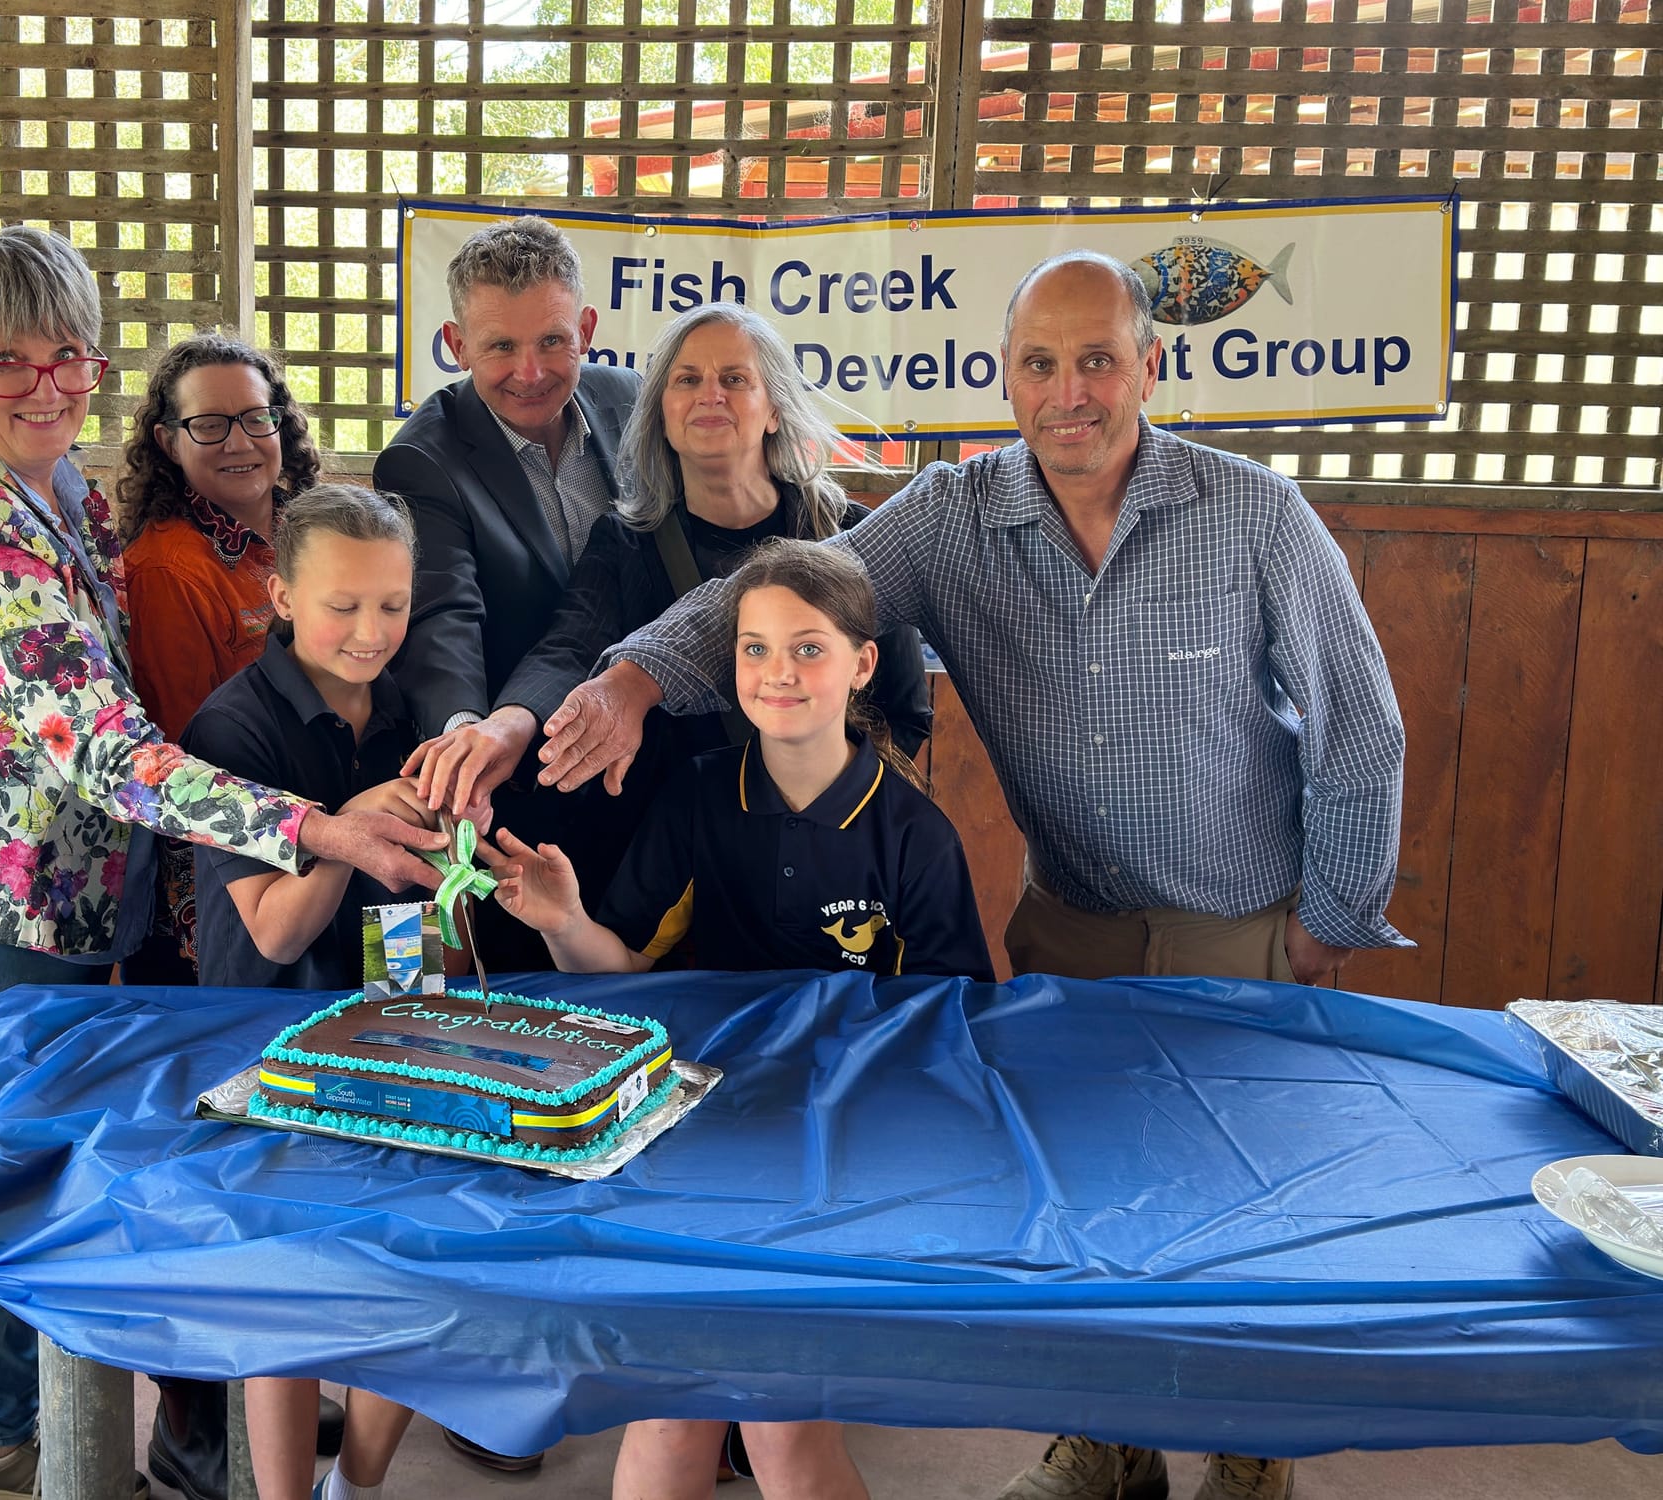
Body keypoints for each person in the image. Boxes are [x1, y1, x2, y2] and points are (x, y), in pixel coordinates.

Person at [534, 249, 1413, 1500]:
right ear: (1001, 379)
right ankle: (1102, 1441)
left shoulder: (1253, 513)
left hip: (1248, 923)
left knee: (1238, 1202)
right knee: (1093, 1197)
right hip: (1073, 922)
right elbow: (781, 594)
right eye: (1040, 363)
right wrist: (628, 679)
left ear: (1148, 368)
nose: (1070, 391)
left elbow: (1359, 732)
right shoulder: (952, 517)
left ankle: (1247, 1450)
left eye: (1097, 359)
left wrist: (1327, 920)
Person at [0, 227, 442, 1500]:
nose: (45, 387)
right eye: (8, 364)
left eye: (68, 360)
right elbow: (101, 745)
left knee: (19, 1195)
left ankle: (4, 1439)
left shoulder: (59, 486)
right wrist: (313, 826)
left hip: (36, 907)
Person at [491, 538, 992, 1500]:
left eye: (808, 648)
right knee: (668, 1417)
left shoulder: (915, 835)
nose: (778, 673)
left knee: (782, 1432)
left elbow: (948, 1028)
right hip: (692, 1144)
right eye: (755, 649)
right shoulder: (695, 797)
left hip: (833, 1160)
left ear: (863, 664)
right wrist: (567, 922)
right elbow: (624, 969)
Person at [407, 300, 932, 854]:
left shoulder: (849, 534)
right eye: (687, 379)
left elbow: (903, 711)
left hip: (826, 851)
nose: (711, 395)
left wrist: (825, 809)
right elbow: (568, 646)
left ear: (774, 408)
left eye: (734, 378)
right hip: (675, 864)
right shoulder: (627, 542)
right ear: (659, 410)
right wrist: (506, 724)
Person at [115, 334, 343, 1500]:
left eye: (256, 414)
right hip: (205, 895)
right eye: (210, 424)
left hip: (306, 863)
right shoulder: (167, 564)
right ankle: (193, 1438)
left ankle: (283, 1402)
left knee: (295, 1158)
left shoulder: (293, 530)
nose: (242, 438)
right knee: (214, 1179)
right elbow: (182, 753)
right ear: (167, 440)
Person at [180, 484, 433, 1500]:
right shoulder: (230, 729)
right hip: (269, 1042)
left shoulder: (417, 710)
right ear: (281, 595)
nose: (370, 632)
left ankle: (355, 1486)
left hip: (400, 1025)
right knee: (283, 1290)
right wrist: (352, 822)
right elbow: (277, 929)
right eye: (342, 605)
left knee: (415, 1267)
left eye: (391, 604)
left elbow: (426, 902)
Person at [374, 213, 643, 984]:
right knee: (509, 1013)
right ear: (457, 346)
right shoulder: (422, 458)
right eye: (500, 347)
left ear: (586, 328)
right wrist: (469, 744)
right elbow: (443, 615)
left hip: (644, 771)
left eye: (553, 340)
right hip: (511, 795)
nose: (530, 371)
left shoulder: (633, 404)